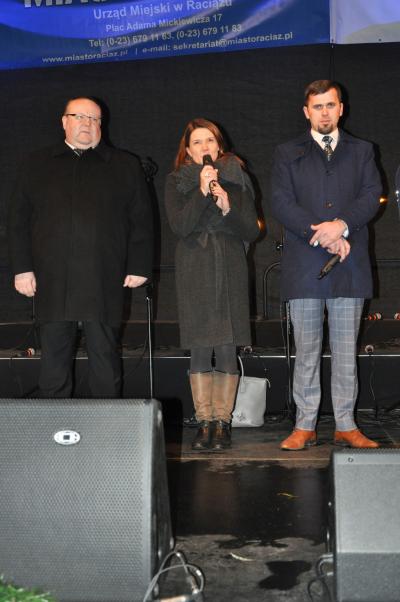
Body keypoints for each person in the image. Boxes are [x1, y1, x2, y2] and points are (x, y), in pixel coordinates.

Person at [8, 96, 153, 398]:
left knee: (105, 358)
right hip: (52, 277)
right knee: (53, 361)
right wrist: (22, 268)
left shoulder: (124, 165)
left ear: (101, 125)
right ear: (64, 121)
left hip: (104, 275)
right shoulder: (35, 163)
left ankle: (107, 424)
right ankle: (55, 424)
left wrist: (139, 265)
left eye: (94, 118)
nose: (87, 123)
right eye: (80, 116)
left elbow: (142, 220)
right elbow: (17, 221)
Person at [270, 79, 382, 450]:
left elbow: (371, 195)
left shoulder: (363, 150)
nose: (324, 112)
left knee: (346, 350)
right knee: (307, 350)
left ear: (341, 108)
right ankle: (305, 425)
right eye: (317, 106)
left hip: (349, 264)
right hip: (305, 264)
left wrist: (342, 225)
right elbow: (281, 202)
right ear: (306, 112)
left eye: (330, 105)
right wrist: (322, 233)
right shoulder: (286, 152)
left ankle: (346, 424)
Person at [165, 118, 259, 451]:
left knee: (227, 345)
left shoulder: (237, 177)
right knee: (201, 345)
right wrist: (203, 192)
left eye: (209, 141)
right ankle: (204, 423)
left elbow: (252, 231)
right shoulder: (177, 181)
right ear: (188, 151)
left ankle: (223, 423)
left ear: (219, 146)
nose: (204, 147)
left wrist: (227, 206)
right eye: (197, 142)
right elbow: (180, 226)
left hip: (230, 263)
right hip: (194, 264)